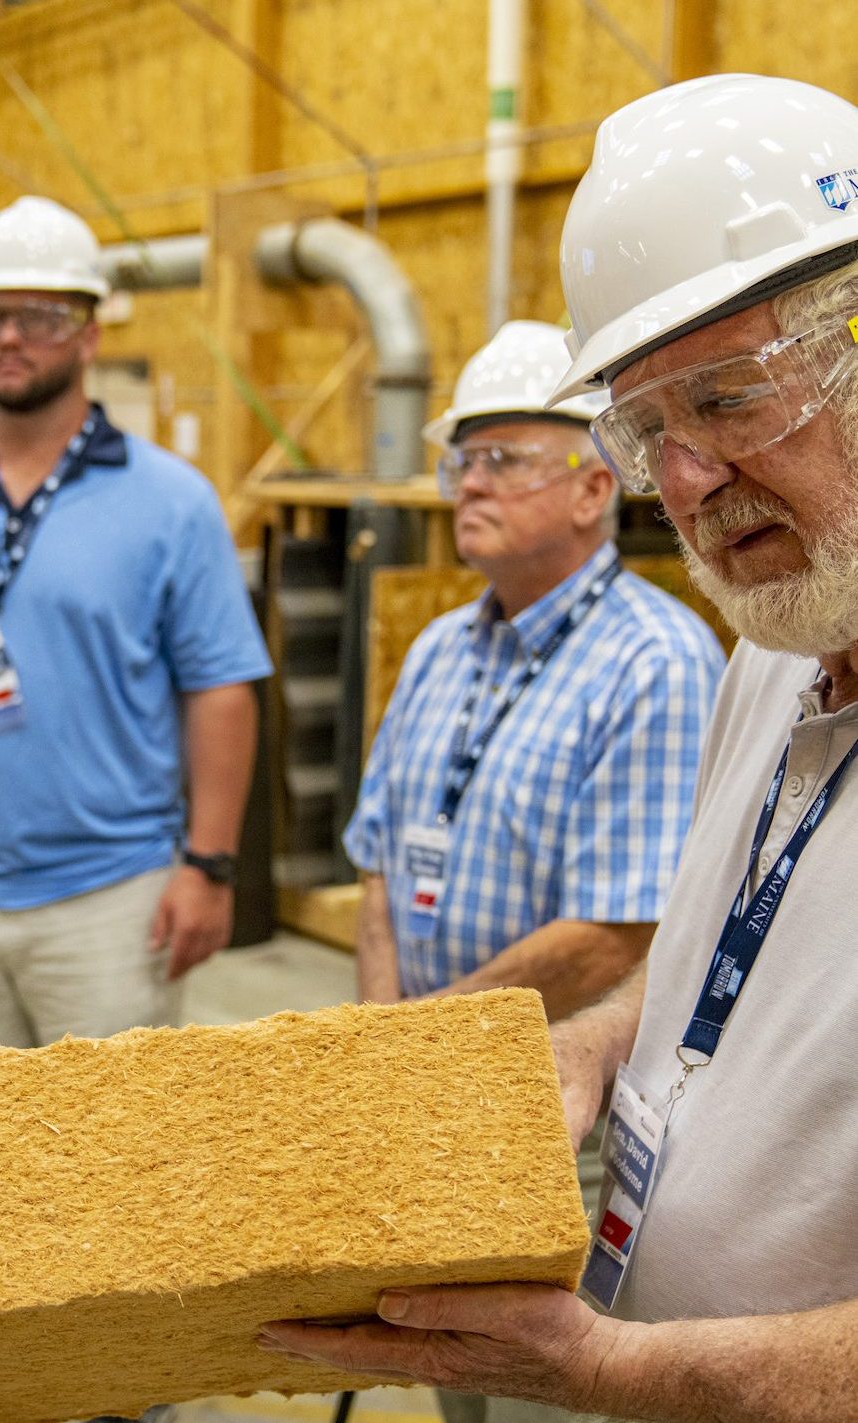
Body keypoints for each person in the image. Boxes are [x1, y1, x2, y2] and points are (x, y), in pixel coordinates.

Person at [258, 74, 858, 1422]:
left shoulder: (671, 651)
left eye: (725, 397)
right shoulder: (768, 653)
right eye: (648, 432)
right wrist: (589, 1045)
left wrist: (598, 1367)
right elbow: (712, 963)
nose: (686, 480)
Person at [0, 196, 271, 1423]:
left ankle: (122, 1381)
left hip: (109, 891)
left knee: (113, 1157)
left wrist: (208, 863)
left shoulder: (171, 501)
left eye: (35, 314)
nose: (8, 336)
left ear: (88, 329)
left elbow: (220, 688)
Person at [341, 319, 724, 1423]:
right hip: (427, 1080)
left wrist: (426, 1042)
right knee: (444, 1366)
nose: (468, 483)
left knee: (536, 1390)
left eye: (501, 458)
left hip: (557, 1113)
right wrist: (389, 1043)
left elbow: (616, 935)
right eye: (461, 460)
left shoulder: (652, 660)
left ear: (594, 486)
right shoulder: (436, 648)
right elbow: (377, 863)